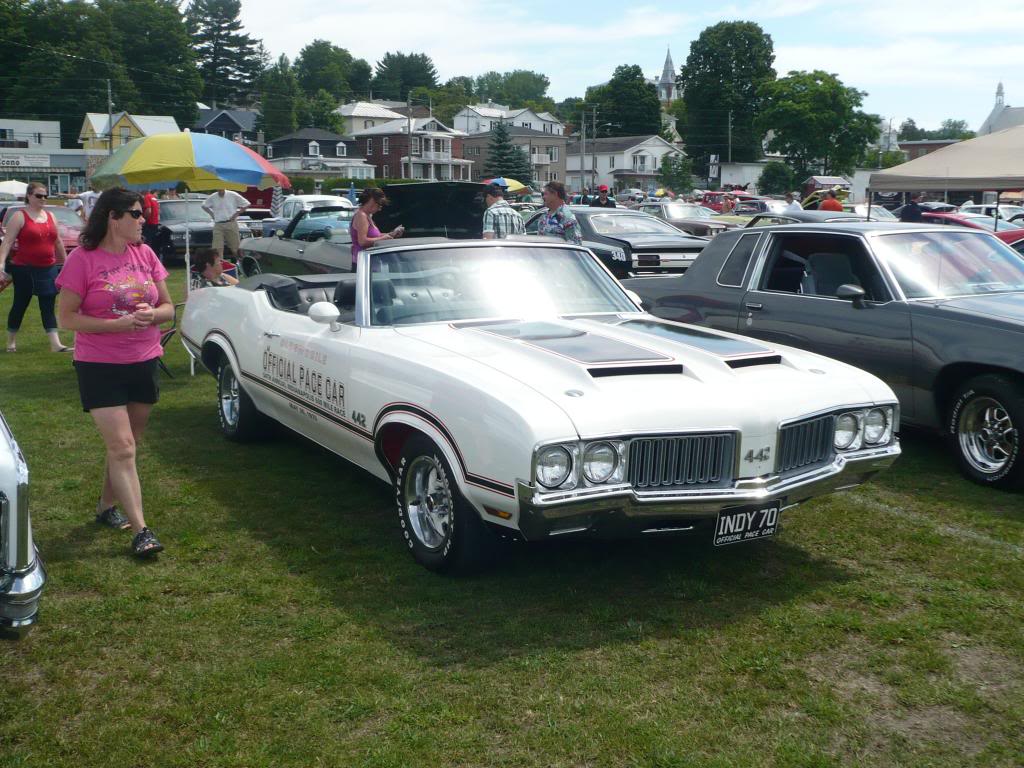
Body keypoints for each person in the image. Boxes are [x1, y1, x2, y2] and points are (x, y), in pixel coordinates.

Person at [55, 187, 173, 557]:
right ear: (113, 217)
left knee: (127, 446)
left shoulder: (145, 254)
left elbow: (168, 307)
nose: (144, 221)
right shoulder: (83, 260)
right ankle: (142, 531)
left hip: (144, 359)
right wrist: (117, 326)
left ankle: (106, 507)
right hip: (99, 365)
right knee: (121, 447)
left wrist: (152, 316)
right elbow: (66, 317)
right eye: (137, 215)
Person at [0, 182, 73, 353]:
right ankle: (11, 340)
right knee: (20, 303)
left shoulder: (50, 216)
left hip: (48, 267)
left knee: (48, 302)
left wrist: (68, 263)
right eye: (39, 196)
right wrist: (1, 264)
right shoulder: (20, 216)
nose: (43, 199)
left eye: (45, 196)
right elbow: (7, 242)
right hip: (24, 269)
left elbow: (58, 242)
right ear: (29, 196)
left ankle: (56, 344)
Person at [349, 187, 403, 269]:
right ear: (373, 202)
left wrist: (391, 234)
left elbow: (374, 236)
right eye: (379, 205)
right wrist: (383, 239)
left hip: (370, 262)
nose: (380, 209)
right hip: (364, 264)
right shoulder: (361, 216)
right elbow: (362, 241)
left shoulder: (367, 215)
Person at [201, 189, 249, 261]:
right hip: (218, 225)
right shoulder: (213, 196)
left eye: (221, 187)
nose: (220, 189)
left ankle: (242, 265)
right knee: (217, 249)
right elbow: (204, 206)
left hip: (231, 223)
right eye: (218, 187)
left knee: (235, 248)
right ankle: (219, 267)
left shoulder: (232, 194)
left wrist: (237, 213)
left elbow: (246, 204)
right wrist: (211, 214)